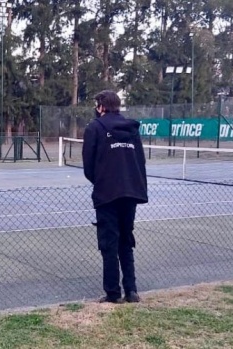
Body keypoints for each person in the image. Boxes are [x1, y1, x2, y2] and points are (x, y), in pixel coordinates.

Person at [82, 90, 148, 304]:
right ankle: (131, 291)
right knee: (126, 241)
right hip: (131, 193)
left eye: (96, 104)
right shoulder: (132, 128)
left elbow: (88, 166)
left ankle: (113, 293)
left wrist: (102, 181)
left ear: (101, 106)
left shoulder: (94, 128)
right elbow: (140, 162)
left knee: (109, 244)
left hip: (107, 194)